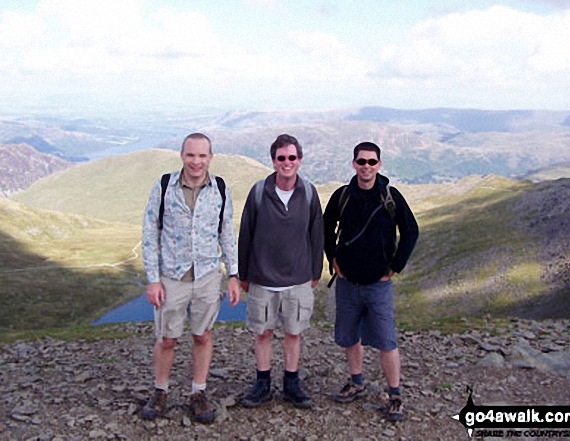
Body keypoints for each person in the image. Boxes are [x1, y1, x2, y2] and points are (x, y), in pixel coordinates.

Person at [141, 132, 240, 424]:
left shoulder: (220, 188)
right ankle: (160, 391)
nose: (196, 161)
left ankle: (198, 392)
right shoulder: (164, 186)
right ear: (182, 155)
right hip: (172, 274)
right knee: (167, 338)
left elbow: (226, 233)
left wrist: (233, 274)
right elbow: (150, 233)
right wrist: (153, 278)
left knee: (202, 334)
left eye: (202, 155)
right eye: (190, 155)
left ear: (210, 157)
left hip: (208, 274)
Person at [323, 141, 418, 423]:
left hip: (378, 284)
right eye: (361, 162)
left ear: (379, 164)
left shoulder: (390, 196)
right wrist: (333, 259)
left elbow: (410, 230)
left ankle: (395, 394)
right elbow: (326, 227)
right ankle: (357, 381)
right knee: (350, 335)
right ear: (354, 164)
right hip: (348, 282)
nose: (366, 167)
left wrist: (396, 266)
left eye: (371, 162)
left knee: (386, 340)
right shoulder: (343, 196)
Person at [238, 134, 324, 409]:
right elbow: (246, 234)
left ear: (300, 160)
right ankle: (262, 383)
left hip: (298, 279)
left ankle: (291, 383)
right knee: (262, 333)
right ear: (273, 160)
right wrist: (243, 273)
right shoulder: (258, 192)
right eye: (281, 158)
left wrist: (315, 272)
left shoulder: (309, 193)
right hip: (262, 278)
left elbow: (316, 234)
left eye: (292, 157)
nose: (287, 163)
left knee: (293, 332)